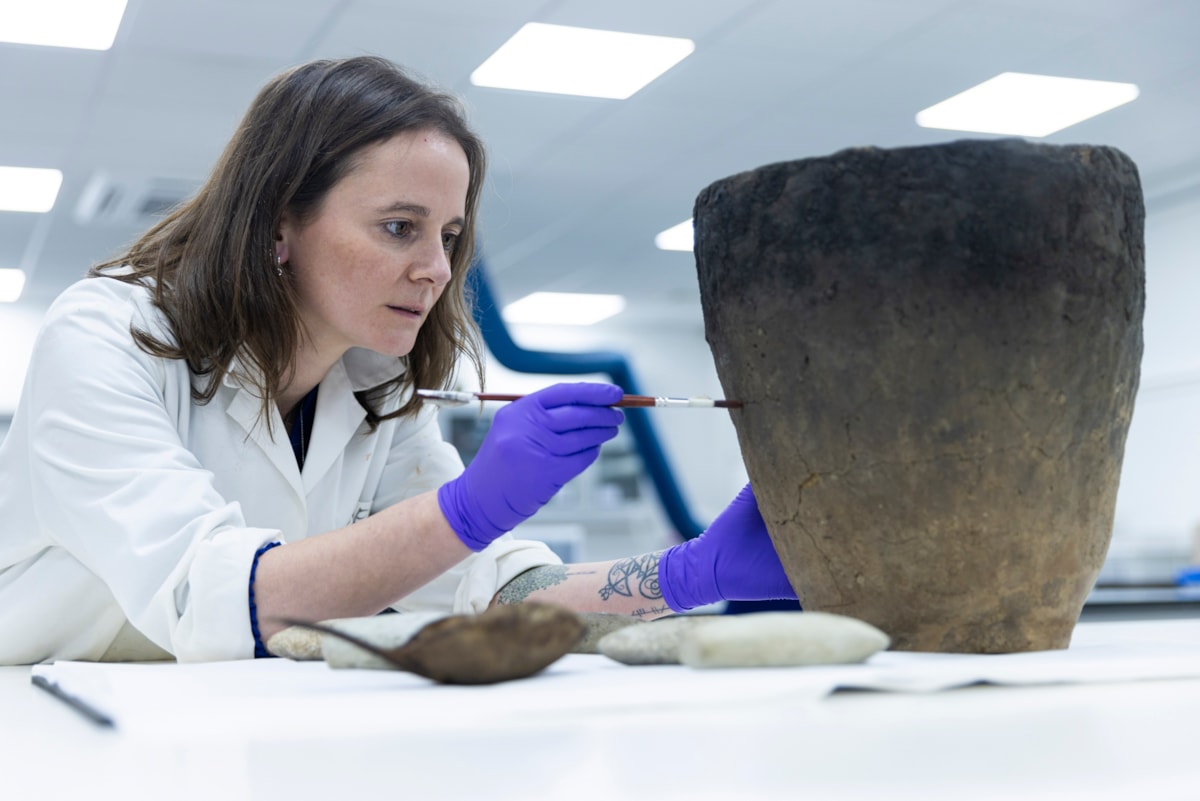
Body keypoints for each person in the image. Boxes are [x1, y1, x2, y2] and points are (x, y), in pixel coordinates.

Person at [0, 56, 795, 665]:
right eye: (398, 227)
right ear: (281, 225)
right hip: (48, 714)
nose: (438, 269)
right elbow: (213, 596)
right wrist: (463, 512)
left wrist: (688, 575)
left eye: (448, 236)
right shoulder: (109, 337)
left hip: (224, 717)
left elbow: (497, 595)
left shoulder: (374, 384)